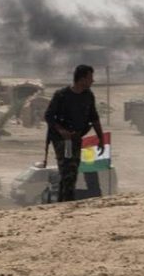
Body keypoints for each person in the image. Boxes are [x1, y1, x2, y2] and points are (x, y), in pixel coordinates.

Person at [44, 64, 106, 202]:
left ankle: (63, 202)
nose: (92, 81)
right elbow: (48, 116)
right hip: (62, 140)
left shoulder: (88, 96)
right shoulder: (61, 95)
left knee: (71, 172)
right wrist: (61, 130)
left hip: (76, 138)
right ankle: (66, 203)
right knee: (68, 172)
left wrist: (100, 139)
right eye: (90, 78)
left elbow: (94, 118)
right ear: (81, 79)